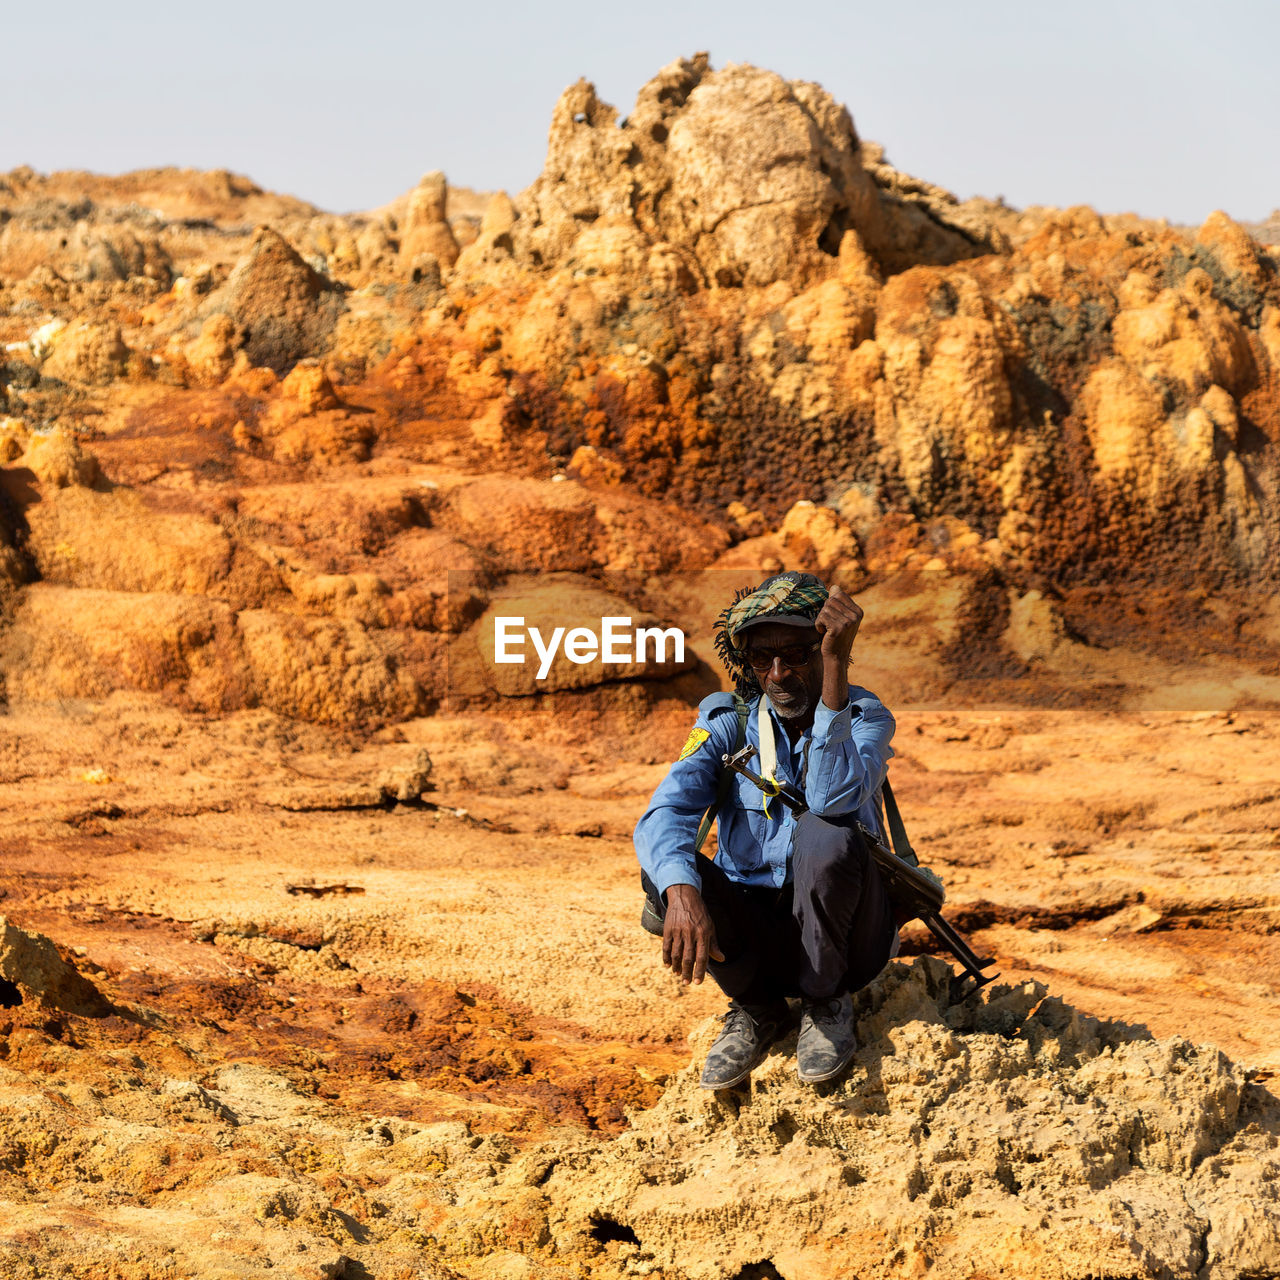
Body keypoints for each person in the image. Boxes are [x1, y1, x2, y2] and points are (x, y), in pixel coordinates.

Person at [633, 570, 897, 1089]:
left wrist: (834, 675)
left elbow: (832, 801)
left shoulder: (864, 715)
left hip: (847, 942)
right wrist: (681, 891)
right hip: (760, 939)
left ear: (825, 651)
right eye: (761, 659)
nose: (777, 674)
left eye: (797, 655)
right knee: (665, 874)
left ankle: (826, 1006)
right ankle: (757, 1009)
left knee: (828, 835)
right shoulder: (727, 720)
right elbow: (665, 813)